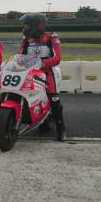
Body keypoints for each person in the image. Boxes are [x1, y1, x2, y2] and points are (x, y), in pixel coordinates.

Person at [18, 12, 67, 141]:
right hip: (29, 72)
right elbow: (19, 57)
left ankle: (61, 129)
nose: (26, 27)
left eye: (28, 25)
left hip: (47, 72)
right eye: (25, 25)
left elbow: (57, 58)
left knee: (54, 98)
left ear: (38, 25)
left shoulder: (52, 37)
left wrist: (42, 63)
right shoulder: (26, 39)